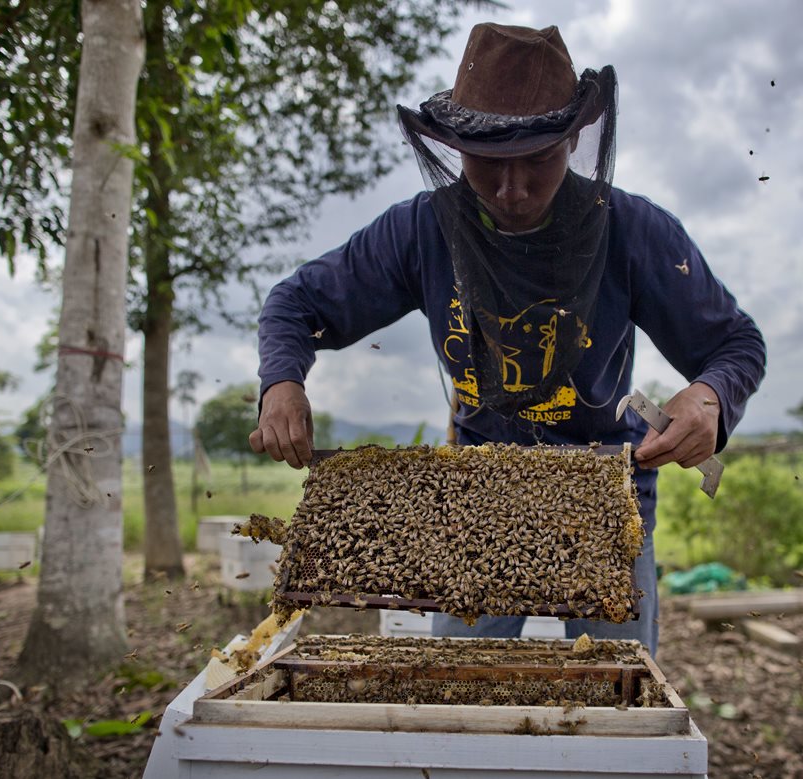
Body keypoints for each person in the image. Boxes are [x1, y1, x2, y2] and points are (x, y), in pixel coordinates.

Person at [250, 22, 766, 655]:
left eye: (538, 162)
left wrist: (710, 398)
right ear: (455, 147)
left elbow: (736, 344)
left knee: (617, 698)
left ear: (574, 142)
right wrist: (281, 382)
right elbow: (296, 303)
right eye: (487, 165)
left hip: (600, 498)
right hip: (477, 498)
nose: (511, 190)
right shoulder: (422, 232)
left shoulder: (632, 230)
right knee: (462, 703)